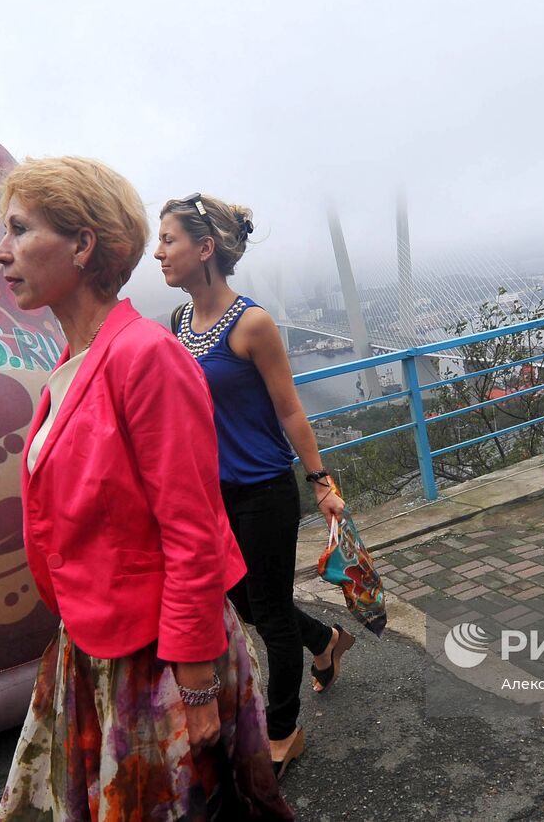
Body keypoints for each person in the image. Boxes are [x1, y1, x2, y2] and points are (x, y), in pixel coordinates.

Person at [0, 158, 294, 821]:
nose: (0, 250)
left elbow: (191, 524)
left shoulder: (144, 354)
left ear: (82, 243)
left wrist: (195, 679)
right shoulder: (71, 365)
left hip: (157, 655)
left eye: (18, 229)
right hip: (95, 645)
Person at [156, 192, 354, 775]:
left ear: (206, 248)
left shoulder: (253, 323)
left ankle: (285, 729)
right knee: (244, 600)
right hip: (210, 490)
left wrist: (320, 481)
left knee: (266, 613)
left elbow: (290, 410)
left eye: (169, 240)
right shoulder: (180, 321)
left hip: (263, 489)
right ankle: (324, 639)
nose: (158, 252)